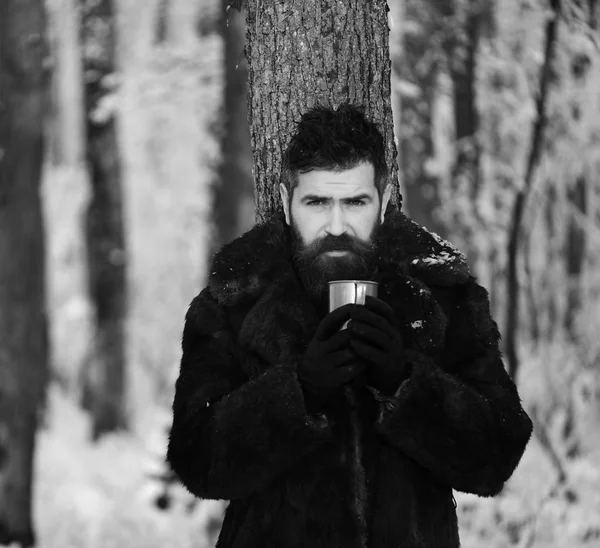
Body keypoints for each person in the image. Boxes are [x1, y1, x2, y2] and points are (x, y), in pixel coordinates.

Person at [167, 103, 533, 548]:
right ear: (286, 203)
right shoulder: (237, 297)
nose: (336, 226)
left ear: (382, 202)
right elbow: (197, 460)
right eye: (317, 202)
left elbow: (497, 454)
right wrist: (297, 393)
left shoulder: (439, 293)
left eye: (355, 202)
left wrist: (406, 384)